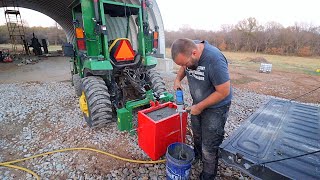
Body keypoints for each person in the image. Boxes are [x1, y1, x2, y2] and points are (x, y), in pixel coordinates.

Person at [171, 38, 232, 179]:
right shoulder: (190, 49)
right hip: (198, 103)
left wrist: (199, 106)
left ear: (194, 53)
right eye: (182, 65)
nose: (184, 67)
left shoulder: (214, 60)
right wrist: (177, 79)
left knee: (209, 145)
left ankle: (208, 174)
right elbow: (183, 66)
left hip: (216, 106)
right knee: (197, 134)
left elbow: (224, 91)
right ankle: (198, 157)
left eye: (185, 64)